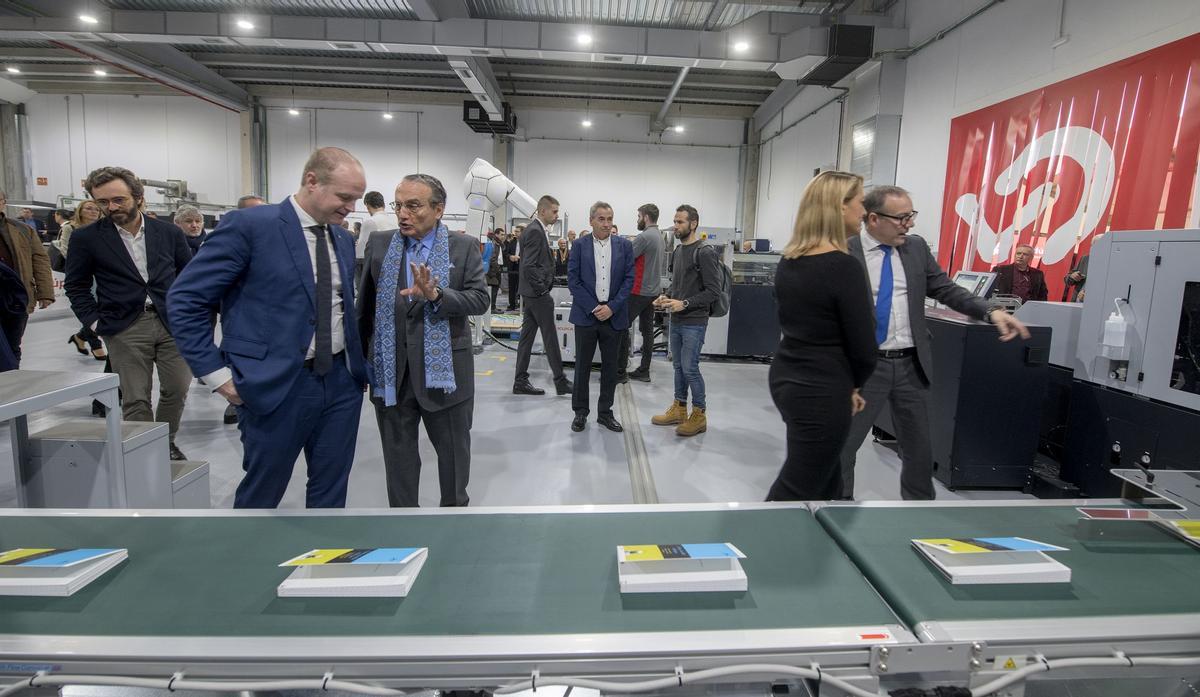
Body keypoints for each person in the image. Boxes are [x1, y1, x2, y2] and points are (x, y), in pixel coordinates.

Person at [168, 147, 368, 508]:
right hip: (275, 385)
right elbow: (186, 301)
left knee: (331, 491)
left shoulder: (341, 238)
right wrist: (217, 376)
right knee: (263, 491)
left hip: (340, 383)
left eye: (355, 199)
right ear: (311, 181)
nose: (351, 208)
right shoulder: (249, 226)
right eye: (344, 197)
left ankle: (322, 561)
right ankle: (249, 561)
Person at [839, 185, 1031, 500]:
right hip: (863, 367)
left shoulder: (915, 250)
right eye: (901, 218)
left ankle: (919, 511)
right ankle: (837, 505)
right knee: (845, 445)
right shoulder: (846, 254)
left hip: (911, 364)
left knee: (919, 449)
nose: (909, 224)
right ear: (873, 219)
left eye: (911, 216)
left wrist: (991, 311)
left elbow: (945, 288)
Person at [359, 174, 489, 507]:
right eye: (398, 205)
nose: (403, 213)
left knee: (454, 462)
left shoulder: (463, 247)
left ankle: (454, 523)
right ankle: (405, 526)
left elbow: (478, 299)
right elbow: (366, 310)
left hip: (447, 378)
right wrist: (362, 366)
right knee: (399, 464)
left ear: (438, 209)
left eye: (413, 205)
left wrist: (436, 295)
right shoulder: (380, 244)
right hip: (392, 376)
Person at [64, 167, 194, 461]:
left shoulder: (169, 233)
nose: (111, 208)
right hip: (123, 327)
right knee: (135, 397)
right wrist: (95, 323)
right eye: (102, 202)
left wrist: (191, 316)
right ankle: (147, 450)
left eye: (118, 200)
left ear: (138, 196)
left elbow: (189, 277)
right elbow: (76, 286)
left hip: (172, 323)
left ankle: (166, 440)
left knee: (177, 388)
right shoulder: (87, 238)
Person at [764, 172, 877, 501]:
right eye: (860, 202)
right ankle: (753, 546)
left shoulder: (790, 261)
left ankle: (821, 546)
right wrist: (854, 384)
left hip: (789, 377)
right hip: (823, 388)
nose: (864, 210)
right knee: (798, 484)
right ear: (840, 208)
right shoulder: (844, 267)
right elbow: (864, 347)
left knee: (828, 482)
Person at [650, 205, 720, 437]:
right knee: (678, 367)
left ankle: (699, 414)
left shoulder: (705, 252)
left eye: (680, 222)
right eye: (675, 221)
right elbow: (677, 284)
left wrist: (685, 304)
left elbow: (713, 291)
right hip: (678, 319)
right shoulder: (679, 251)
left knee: (690, 368)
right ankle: (680, 408)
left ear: (694, 224)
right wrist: (666, 297)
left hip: (694, 321)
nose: (676, 226)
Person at [568, 201, 635, 433]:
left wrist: (612, 308)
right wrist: (595, 307)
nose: (607, 224)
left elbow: (629, 280)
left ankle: (605, 413)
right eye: (601, 219)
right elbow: (573, 281)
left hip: (614, 317)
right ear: (591, 221)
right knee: (582, 367)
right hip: (587, 316)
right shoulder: (578, 246)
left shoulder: (625, 246)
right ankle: (580, 412)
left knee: (610, 369)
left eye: (610, 219)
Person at [512, 197, 573, 397]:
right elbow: (528, 265)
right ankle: (560, 381)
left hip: (531, 293)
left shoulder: (535, 230)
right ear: (542, 211)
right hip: (537, 295)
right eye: (554, 212)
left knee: (527, 338)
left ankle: (520, 381)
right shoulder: (536, 232)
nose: (556, 216)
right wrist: (541, 291)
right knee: (550, 337)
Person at [0, 191, 55, 363]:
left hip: (15, 298)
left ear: (3, 202)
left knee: (12, 346)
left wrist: (45, 292)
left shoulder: (23, 229)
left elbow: (39, 260)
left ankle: (12, 382)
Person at [619, 203, 665, 383]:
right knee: (647, 332)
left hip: (638, 291)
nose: (638, 220)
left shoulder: (645, 236)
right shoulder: (659, 236)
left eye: (638, 216)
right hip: (653, 291)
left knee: (620, 326)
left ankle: (619, 371)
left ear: (646, 217)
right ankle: (644, 370)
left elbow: (624, 259)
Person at [58, 200, 108, 360]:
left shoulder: (104, 229)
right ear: (80, 211)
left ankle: (80, 336)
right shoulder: (69, 228)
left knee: (101, 308)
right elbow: (66, 250)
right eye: (89, 209)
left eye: (96, 209)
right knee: (89, 308)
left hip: (101, 273)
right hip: (82, 273)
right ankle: (96, 344)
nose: (93, 212)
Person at [356, 190, 391, 286]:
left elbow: (361, 252)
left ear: (367, 205)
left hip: (371, 267)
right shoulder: (393, 221)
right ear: (383, 204)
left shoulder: (370, 221)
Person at [503, 224, 521, 311]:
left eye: (517, 231)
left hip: (522, 267)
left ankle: (522, 306)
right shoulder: (511, 242)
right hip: (512, 267)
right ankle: (512, 305)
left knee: (522, 287)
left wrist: (520, 258)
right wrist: (510, 257)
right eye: (515, 231)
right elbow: (506, 253)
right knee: (512, 287)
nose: (515, 233)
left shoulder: (527, 242)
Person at [485, 230, 503, 313]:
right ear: (496, 234)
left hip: (493, 270)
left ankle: (492, 307)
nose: (503, 236)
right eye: (501, 235)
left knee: (494, 289)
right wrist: (497, 269)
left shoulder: (498, 244)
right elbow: (492, 258)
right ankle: (492, 308)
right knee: (494, 289)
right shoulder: (494, 244)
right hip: (492, 271)